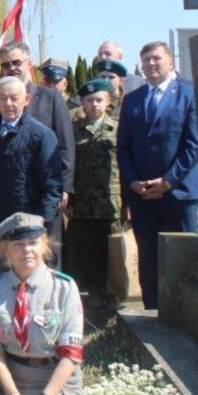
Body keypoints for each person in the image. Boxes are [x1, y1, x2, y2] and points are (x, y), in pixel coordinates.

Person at [0, 213, 83, 395]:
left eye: (33, 243)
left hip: (53, 384)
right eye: (17, 245)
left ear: (45, 244)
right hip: (11, 383)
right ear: (5, 250)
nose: (26, 250)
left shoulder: (64, 288)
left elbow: (71, 355)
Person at [117, 41, 198, 310]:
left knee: (182, 256)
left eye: (156, 58)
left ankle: (186, 310)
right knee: (149, 256)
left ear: (171, 61)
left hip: (178, 194)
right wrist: (133, 182)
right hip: (142, 195)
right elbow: (123, 148)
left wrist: (167, 181)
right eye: (146, 60)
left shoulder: (189, 93)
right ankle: (152, 307)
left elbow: (193, 145)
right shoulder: (132, 99)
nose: (151, 64)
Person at [0, 78, 63, 273]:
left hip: (30, 231)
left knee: (33, 290)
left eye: (14, 98)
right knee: (2, 288)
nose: (9, 103)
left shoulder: (42, 135)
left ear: (27, 99)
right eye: (3, 98)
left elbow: (52, 186)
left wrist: (40, 225)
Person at [0, 43, 74, 253]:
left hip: (48, 189)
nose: (11, 68)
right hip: (19, 190)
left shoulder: (51, 96)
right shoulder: (3, 102)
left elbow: (66, 144)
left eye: (16, 62)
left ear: (28, 63)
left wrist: (65, 186)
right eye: (5, 65)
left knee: (47, 251)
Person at [68, 80, 123, 308]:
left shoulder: (118, 128)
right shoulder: (74, 130)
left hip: (111, 201)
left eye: (99, 100)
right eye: (89, 101)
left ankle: (113, 293)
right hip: (83, 202)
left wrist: (128, 204)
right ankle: (92, 292)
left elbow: (125, 166)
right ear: (82, 103)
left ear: (108, 101)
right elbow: (69, 166)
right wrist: (70, 198)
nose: (94, 105)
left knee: (111, 250)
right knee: (87, 249)